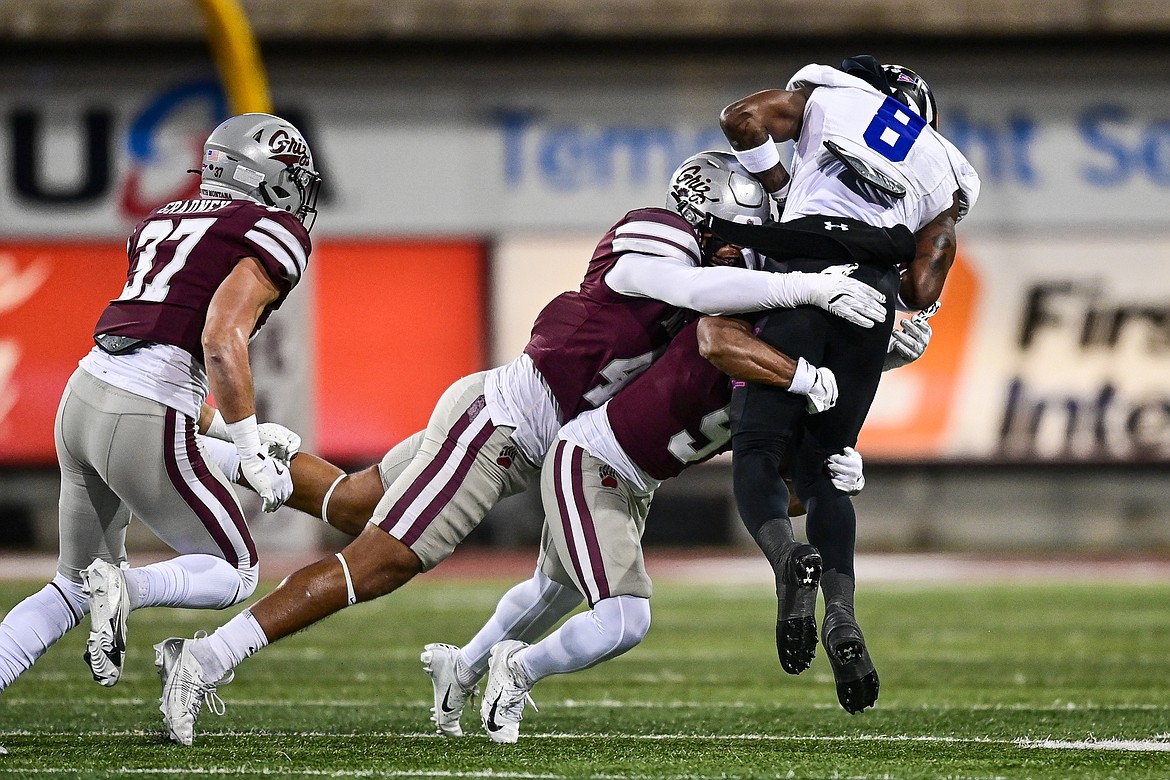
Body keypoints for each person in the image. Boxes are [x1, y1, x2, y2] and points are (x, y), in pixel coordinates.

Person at [153, 150, 889, 745]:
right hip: (506, 422)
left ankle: (218, 440)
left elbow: (744, 405)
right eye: (736, 233)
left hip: (556, 440)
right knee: (378, 563)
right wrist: (801, 288)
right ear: (702, 214)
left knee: (354, 503)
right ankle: (207, 657)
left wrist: (840, 437)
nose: (745, 251)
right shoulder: (657, 235)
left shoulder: (726, 288)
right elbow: (668, 284)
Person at [0, 113, 321, 699]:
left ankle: (104, 587)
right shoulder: (273, 231)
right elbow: (219, 343)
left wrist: (232, 434)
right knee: (236, 570)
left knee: (70, 587)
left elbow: (167, 359)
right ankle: (127, 588)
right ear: (267, 174)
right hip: (146, 411)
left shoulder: (163, 218)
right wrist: (249, 453)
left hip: (84, 399)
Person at [423, 313, 857, 743]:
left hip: (636, 480)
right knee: (623, 619)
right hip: (591, 458)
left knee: (554, 591)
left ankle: (460, 670)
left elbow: (781, 496)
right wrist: (805, 372)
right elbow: (714, 337)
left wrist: (835, 476)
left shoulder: (786, 389)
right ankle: (517, 669)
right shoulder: (737, 332)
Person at [709, 56, 980, 713]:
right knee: (830, 471)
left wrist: (781, 185)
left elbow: (740, 118)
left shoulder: (831, 95)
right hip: (876, 290)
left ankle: (784, 561)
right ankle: (844, 614)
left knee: (758, 450)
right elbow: (924, 280)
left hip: (806, 267)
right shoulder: (948, 165)